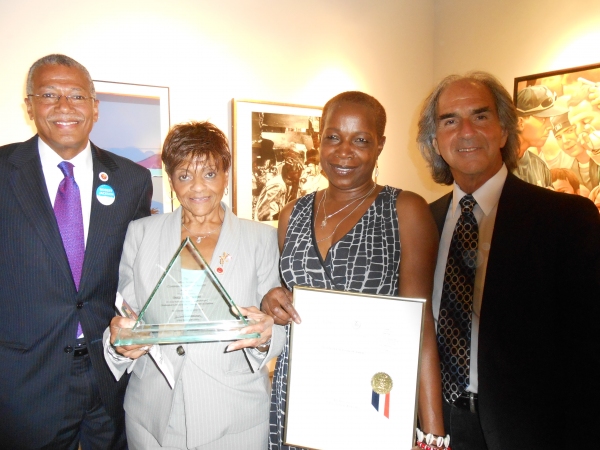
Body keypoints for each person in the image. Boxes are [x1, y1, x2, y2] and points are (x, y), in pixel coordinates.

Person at [417, 71, 600, 449]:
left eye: (480, 116)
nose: (465, 131)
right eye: (450, 120)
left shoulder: (565, 219)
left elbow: (588, 355)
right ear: (435, 141)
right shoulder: (421, 222)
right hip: (437, 425)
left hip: (527, 431)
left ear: (504, 131)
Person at [261, 91, 446, 450]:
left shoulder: (405, 210)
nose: (344, 151)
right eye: (333, 137)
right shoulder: (292, 215)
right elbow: (288, 301)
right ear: (319, 140)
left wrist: (434, 436)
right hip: (299, 403)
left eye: (361, 140)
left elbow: (421, 326)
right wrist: (273, 301)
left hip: (372, 406)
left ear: (379, 146)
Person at [0, 54, 152, 449]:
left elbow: (137, 269)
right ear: (29, 105)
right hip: (23, 380)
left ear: (95, 108)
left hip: (110, 374)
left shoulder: (132, 180)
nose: (64, 107)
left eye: (77, 96)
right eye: (49, 94)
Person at [105, 121, 284, 449]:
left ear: (226, 177)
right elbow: (125, 318)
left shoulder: (261, 238)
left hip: (235, 419)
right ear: (171, 180)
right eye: (184, 175)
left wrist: (265, 336)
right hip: (153, 418)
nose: (197, 187)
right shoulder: (141, 234)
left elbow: (278, 327)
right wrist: (118, 342)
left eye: (210, 174)